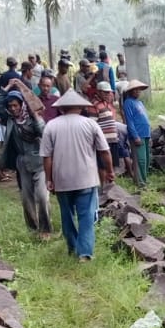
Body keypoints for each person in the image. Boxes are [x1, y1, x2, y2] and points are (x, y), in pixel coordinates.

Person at [41, 90, 113, 262]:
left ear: (62, 108)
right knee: (86, 216)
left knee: (67, 215)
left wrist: (49, 179)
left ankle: (73, 247)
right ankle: (85, 253)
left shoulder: (51, 125)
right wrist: (110, 171)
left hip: (62, 179)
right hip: (86, 178)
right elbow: (104, 151)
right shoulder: (90, 124)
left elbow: (47, 157)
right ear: (81, 107)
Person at [0, 91, 53, 236]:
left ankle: (45, 229)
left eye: (15, 105)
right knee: (26, 199)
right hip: (22, 163)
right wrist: (7, 88)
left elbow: (44, 132)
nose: (13, 108)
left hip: (39, 162)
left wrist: (35, 115)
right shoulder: (10, 120)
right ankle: (33, 229)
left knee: (42, 197)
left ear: (22, 105)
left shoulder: (32, 120)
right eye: (10, 106)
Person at [90, 82, 127, 182]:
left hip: (112, 139)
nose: (108, 94)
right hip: (103, 140)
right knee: (102, 165)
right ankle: (104, 187)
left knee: (111, 164)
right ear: (98, 92)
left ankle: (110, 186)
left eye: (109, 92)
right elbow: (93, 125)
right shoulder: (94, 105)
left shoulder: (107, 104)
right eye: (105, 93)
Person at [122, 80, 152, 187]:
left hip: (145, 134)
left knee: (146, 159)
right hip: (138, 135)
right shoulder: (128, 103)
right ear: (130, 91)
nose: (138, 92)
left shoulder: (139, 103)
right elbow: (129, 121)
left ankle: (144, 179)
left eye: (139, 89)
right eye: (135, 90)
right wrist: (135, 136)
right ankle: (140, 183)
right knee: (140, 160)